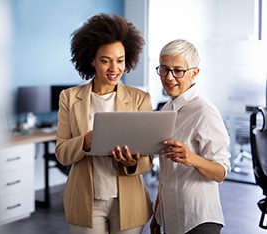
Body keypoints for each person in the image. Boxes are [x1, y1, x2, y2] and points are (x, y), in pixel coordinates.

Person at [55, 13, 153, 234]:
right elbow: (61, 153)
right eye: (105, 60)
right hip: (86, 200)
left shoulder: (140, 99)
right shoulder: (69, 98)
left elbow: (148, 161)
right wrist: (85, 141)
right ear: (91, 59)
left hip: (128, 199)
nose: (114, 68)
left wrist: (131, 163)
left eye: (120, 60)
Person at [150, 39, 231, 234]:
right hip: (169, 218)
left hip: (198, 220)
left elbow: (221, 172)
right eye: (164, 69)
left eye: (178, 70)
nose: (169, 77)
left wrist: (191, 158)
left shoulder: (204, 111)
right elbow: (167, 173)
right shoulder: (166, 109)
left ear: (194, 73)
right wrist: (157, 214)